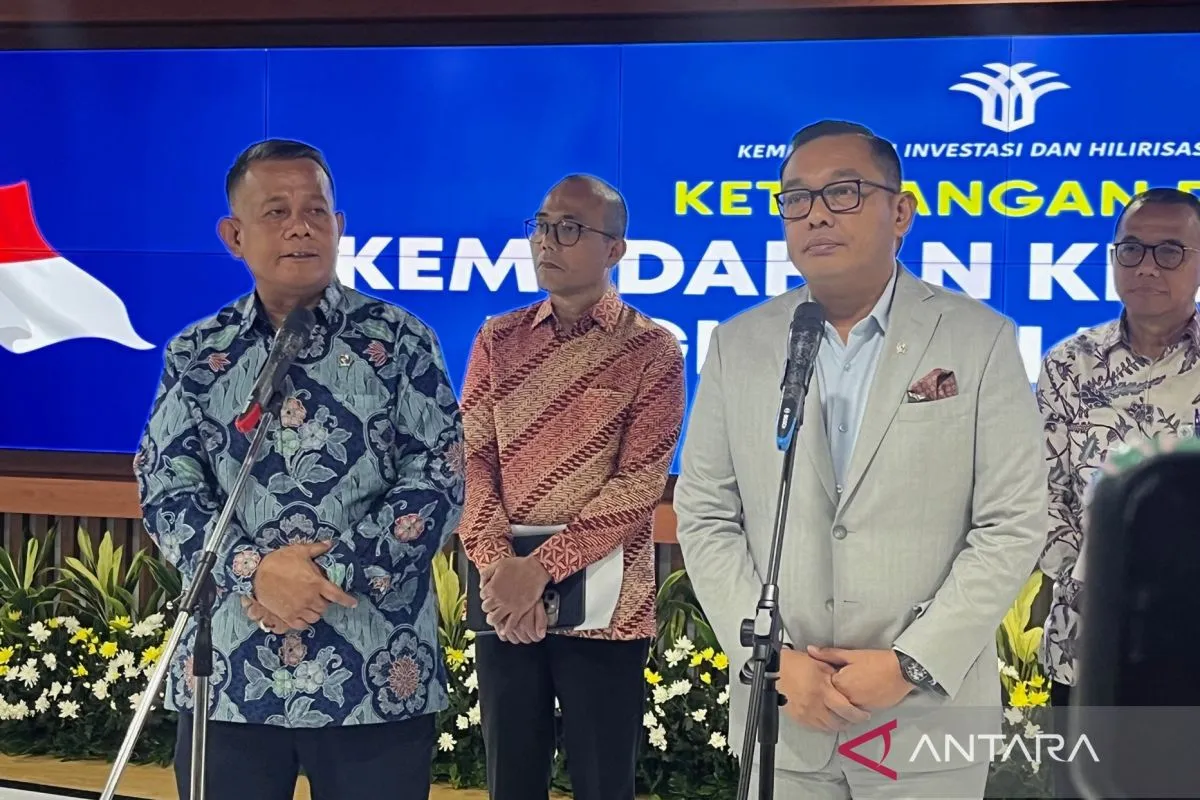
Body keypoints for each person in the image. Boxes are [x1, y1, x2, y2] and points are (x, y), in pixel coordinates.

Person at [674, 120, 1048, 799]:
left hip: (925, 722)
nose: (816, 214)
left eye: (843, 192)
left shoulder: (980, 339)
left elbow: (1012, 522)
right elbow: (705, 514)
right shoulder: (739, 345)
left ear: (900, 212)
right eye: (796, 198)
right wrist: (771, 661)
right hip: (785, 719)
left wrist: (912, 662)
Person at [133, 139, 464, 799]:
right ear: (234, 235)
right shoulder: (199, 353)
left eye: (316, 211)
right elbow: (166, 487)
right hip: (232, 675)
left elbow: (439, 478)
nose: (300, 227)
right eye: (276, 211)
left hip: (374, 670)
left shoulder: (401, 341)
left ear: (338, 226)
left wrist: (321, 578)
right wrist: (256, 572)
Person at [458, 174, 685, 800]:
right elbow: (472, 461)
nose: (545, 241)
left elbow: (638, 486)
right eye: (541, 225)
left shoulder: (653, 350)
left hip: (609, 612)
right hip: (506, 601)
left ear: (615, 249)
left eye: (568, 229)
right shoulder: (497, 339)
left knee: (603, 782)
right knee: (511, 781)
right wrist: (502, 569)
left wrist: (540, 570)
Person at [1036, 187, 1200, 798]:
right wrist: (1093, 581)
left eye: (1169, 251)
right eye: (1131, 249)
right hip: (1086, 647)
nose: (1147, 266)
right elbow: (1042, 495)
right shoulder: (1069, 365)